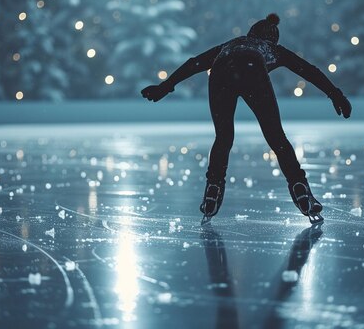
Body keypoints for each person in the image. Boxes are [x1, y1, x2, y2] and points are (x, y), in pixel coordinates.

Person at [141, 13, 351, 224]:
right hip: (253, 72)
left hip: (220, 74)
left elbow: (194, 63)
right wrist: (335, 94)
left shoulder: (230, 45)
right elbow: (308, 70)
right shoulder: (272, 49)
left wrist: (165, 86)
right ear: (273, 39)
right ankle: (299, 188)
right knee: (277, 138)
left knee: (223, 138)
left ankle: (213, 187)